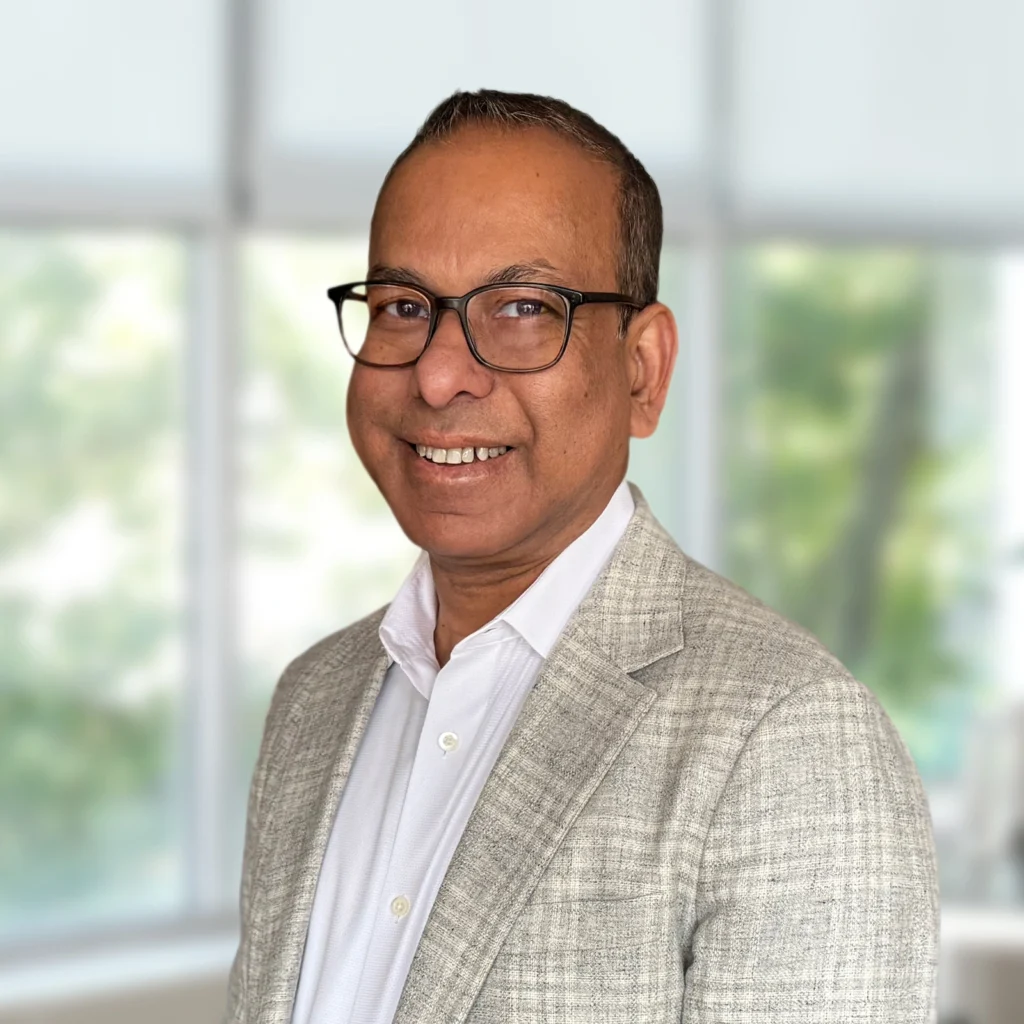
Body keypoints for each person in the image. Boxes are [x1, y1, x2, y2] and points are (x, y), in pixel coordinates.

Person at [224, 90, 939, 1024]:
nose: (439, 373)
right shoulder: (313, 704)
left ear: (643, 370)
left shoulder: (789, 741)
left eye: (522, 307)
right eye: (403, 305)